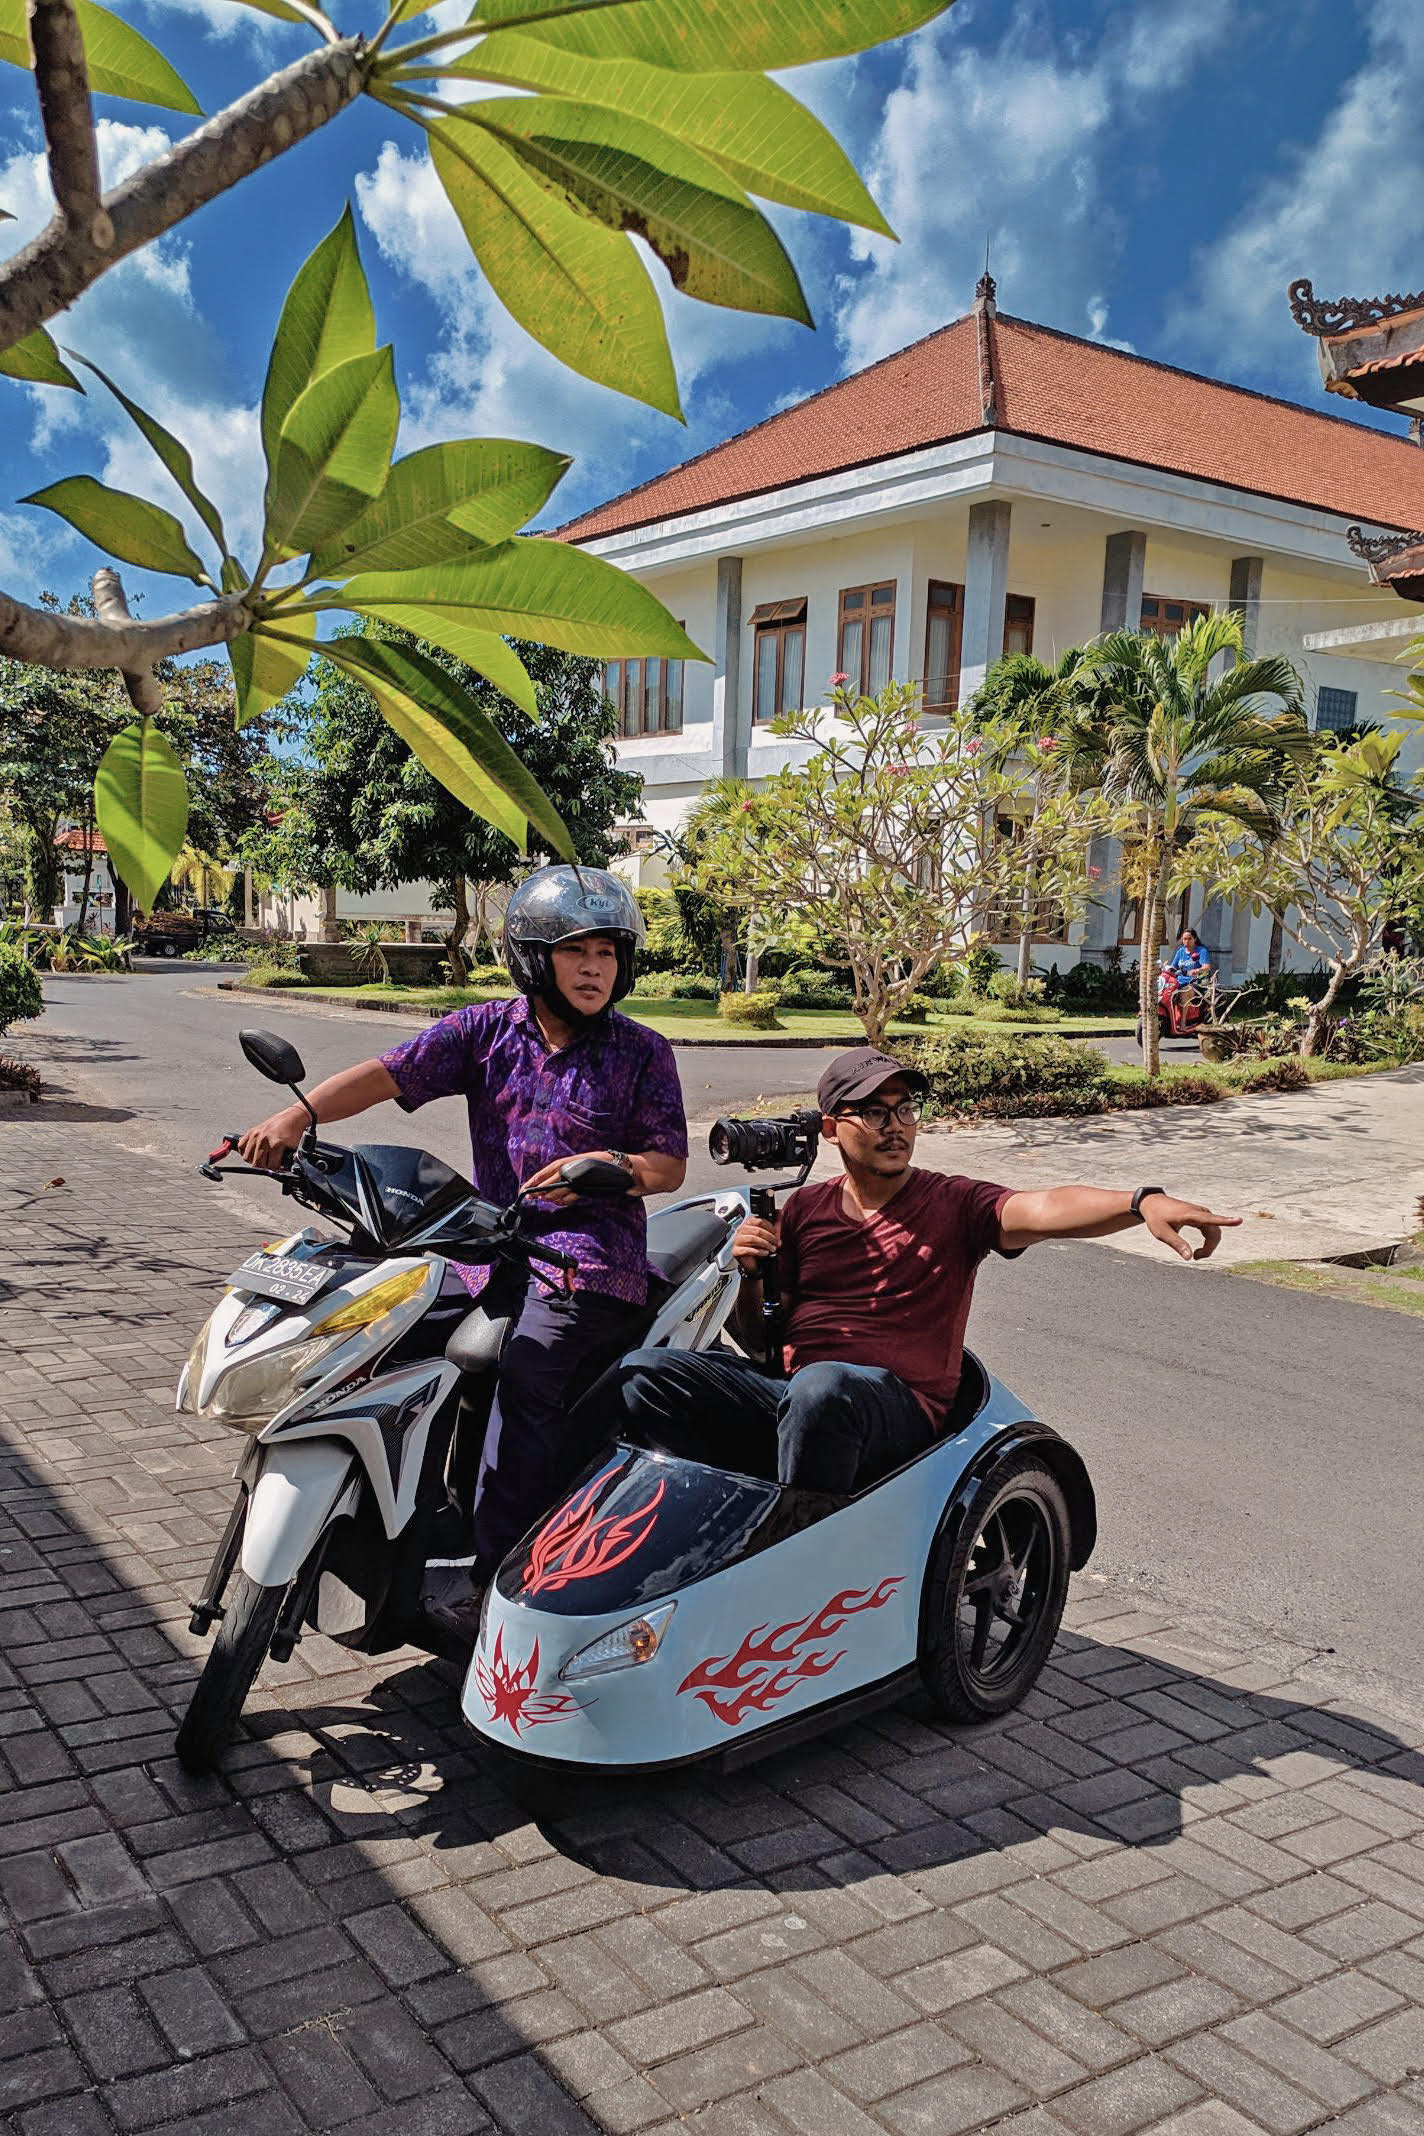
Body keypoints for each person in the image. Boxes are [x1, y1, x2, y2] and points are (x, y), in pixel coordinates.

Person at [237, 864, 688, 1640]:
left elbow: (667, 1165)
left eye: (609, 953)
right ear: (531, 959)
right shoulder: (485, 1030)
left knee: (527, 1373)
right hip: (487, 1248)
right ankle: (399, 1515)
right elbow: (385, 1076)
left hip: (589, 1257)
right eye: (576, 951)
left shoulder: (643, 1052)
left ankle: (499, 1578)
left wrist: (607, 1173)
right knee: (370, 1328)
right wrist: (293, 1118)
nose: (594, 968)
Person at [605, 1046, 1238, 1496]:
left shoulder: (953, 1202)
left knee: (823, 1390)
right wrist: (748, 1274)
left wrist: (1140, 1201)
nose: (896, 1127)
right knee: (643, 1373)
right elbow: (761, 1340)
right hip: (801, 1398)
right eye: (874, 1113)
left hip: (896, 1408)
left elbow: (1044, 1206)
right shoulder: (804, 1210)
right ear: (831, 1128)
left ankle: (791, 1554)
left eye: (905, 1110)